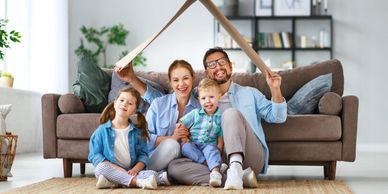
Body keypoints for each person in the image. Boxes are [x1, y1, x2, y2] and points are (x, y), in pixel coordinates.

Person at [167, 47, 288, 190]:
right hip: (213, 159)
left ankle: (236, 168)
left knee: (230, 114)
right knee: (174, 168)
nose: (218, 67)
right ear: (207, 73)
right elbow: (166, 98)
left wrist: (275, 89)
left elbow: (278, 117)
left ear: (230, 66)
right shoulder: (197, 95)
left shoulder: (249, 93)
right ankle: (237, 178)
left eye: (222, 62)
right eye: (212, 64)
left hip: (248, 155)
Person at [115, 60, 201, 173]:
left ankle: (155, 176)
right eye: (176, 80)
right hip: (155, 157)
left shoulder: (200, 109)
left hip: (182, 162)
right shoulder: (158, 104)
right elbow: (146, 138)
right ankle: (142, 173)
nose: (181, 84)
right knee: (172, 145)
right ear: (170, 82)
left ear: (192, 78)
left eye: (185, 78)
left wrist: (189, 138)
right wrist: (172, 138)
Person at [88, 87, 170, 189]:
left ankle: (116, 182)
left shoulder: (137, 133)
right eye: (122, 100)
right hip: (111, 169)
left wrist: (135, 170)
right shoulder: (101, 131)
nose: (124, 104)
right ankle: (139, 183)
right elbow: (95, 155)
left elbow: (143, 156)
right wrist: (117, 169)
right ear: (115, 103)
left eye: (130, 103)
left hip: (131, 171)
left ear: (134, 111)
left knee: (151, 173)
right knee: (100, 168)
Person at [179, 78, 224, 187]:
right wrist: (184, 138)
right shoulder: (195, 113)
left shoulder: (221, 117)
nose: (207, 101)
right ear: (199, 100)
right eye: (203, 98)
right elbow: (181, 123)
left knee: (212, 150)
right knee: (185, 148)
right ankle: (213, 166)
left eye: (211, 97)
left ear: (219, 96)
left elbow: (220, 137)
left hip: (209, 145)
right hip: (194, 144)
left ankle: (215, 173)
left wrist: (219, 149)